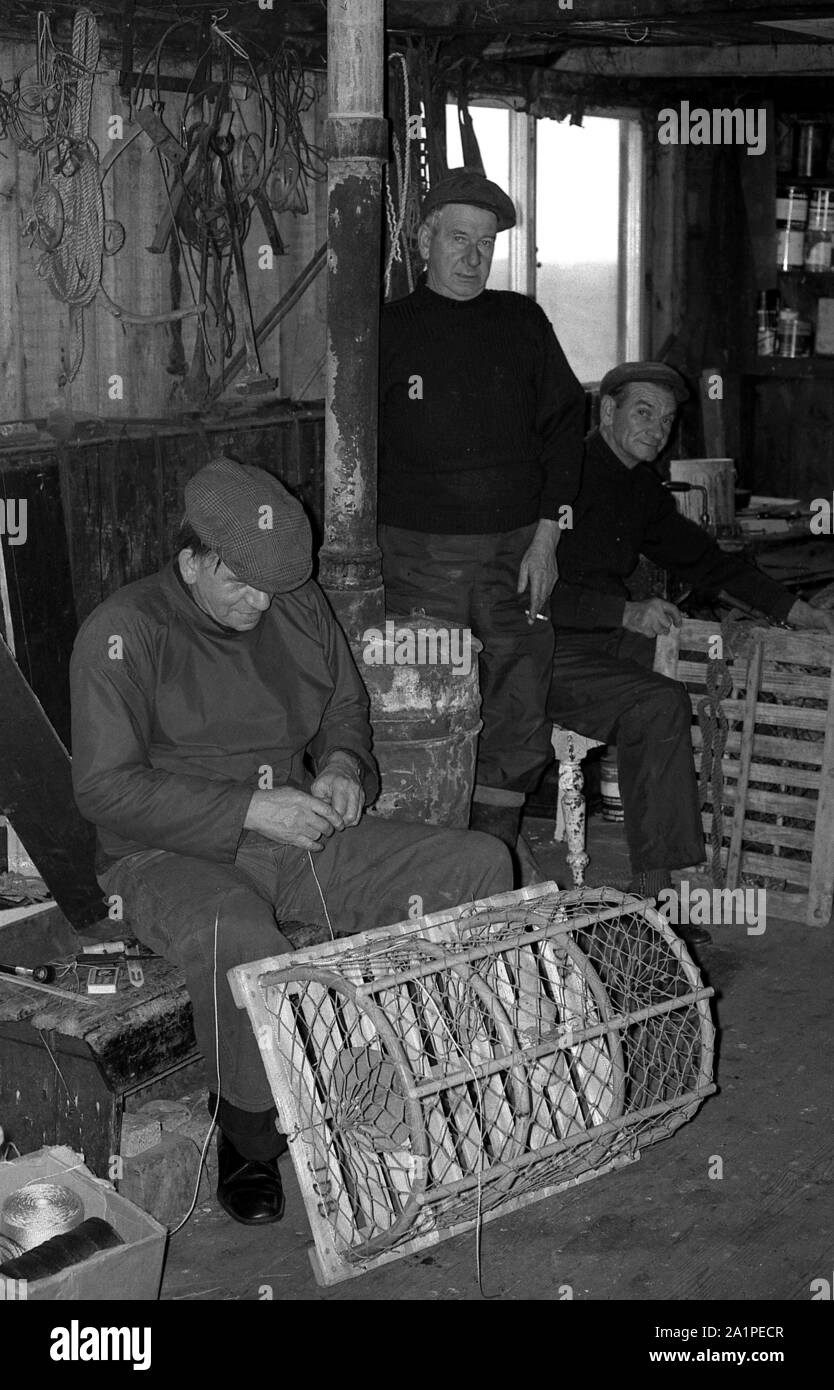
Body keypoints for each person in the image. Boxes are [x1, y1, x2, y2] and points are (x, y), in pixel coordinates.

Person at [69, 458, 512, 1226]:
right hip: (167, 852)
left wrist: (343, 767)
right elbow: (105, 790)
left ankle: (432, 1069)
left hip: (298, 829)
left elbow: (346, 710)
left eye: (274, 589)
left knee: (477, 861)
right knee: (235, 934)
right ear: (192, 559)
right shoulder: (123, 632)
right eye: (240, 585)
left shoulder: (294, 604)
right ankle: (247, 1138)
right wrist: (249, 808)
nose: (259, 603)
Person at [548, 360, 834, 943]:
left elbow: (706, 561)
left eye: (668, 418)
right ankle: (657, 894)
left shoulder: (638, 487)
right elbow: (521, 584)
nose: (657, 428)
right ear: (606, 411)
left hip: (602, 640)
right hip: (542, 646)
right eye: (642, 412)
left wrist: (795, 611)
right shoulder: (559, 474)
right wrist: (623, 612)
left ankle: (702, 862)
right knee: (659, 701)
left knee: (700, 675)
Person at [378, 168, 585, 865]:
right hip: (416, 559)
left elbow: (564, 424)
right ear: (425, 241)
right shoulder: (385, 330)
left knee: (519, 692)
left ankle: (492, 851)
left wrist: (548, 537)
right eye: (459, 239)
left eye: (486, 243)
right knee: (427, 697)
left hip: (516, 551)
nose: (473, 256)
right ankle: (429, 852)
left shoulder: (521, 321)